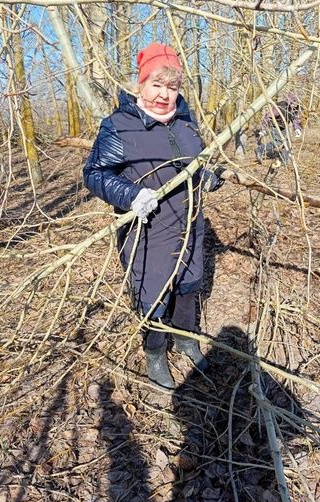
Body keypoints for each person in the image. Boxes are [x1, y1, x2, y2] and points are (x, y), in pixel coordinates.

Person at [83, 43, 223, 390]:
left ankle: (187, 340)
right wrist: (132, 195)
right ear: (141, 84)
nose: (164, 94)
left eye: (172, 86)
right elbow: (95, 174)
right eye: (156, 84)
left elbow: (193, 165)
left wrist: (207, 176)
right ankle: (156, 354)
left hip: (189, 225)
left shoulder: (186, 123)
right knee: (154, 295)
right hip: (147, 233)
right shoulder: (119, 125)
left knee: (189, 287)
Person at [255, 93, 302, 166]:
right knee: (278, 143)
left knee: (287, 143)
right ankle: (260, 149)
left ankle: (284, 161)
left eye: (296, 103)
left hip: (283, 127)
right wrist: (263, 129)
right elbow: (268, 117)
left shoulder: (294, 108)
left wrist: (297, 129)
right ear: (290, 101)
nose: (295, 104)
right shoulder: (281, 106)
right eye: (293, 102)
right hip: (275, 126)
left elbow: (294, 119)